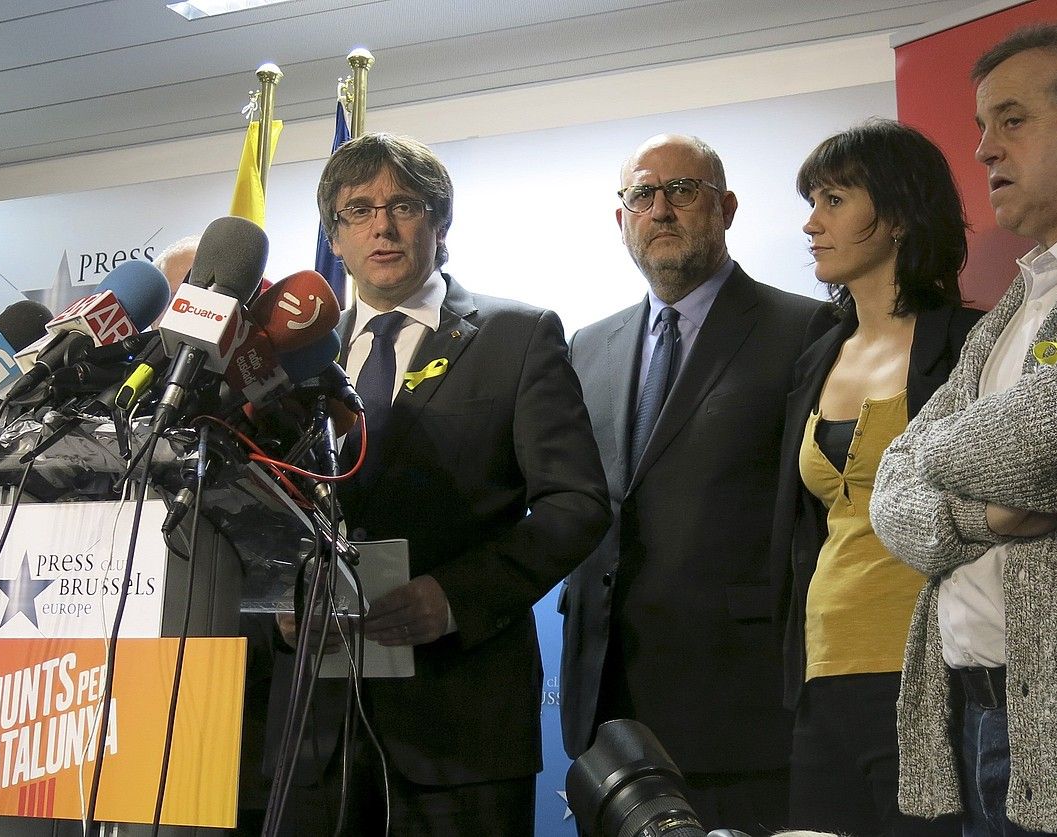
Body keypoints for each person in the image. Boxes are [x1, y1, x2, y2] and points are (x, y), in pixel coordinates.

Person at [270, 132, 610, 836]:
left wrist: (454, 597)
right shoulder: (288, 355)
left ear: (440, 222)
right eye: (357, 210)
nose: (381, 226)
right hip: (313, 733)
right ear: (334, 238)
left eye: (403, 205)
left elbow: (576, 504)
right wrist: (273, 597)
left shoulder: (519, 335)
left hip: (460, 728)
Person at [869, 23, 1057, 836]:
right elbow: (891, 494)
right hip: (982, 713)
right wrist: (979, 512)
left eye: (1013, 120)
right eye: (980, 129)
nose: (985, 150)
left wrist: (930, 456)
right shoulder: (1018, 302)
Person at [560, 133, 821, 833]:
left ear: (726, 208)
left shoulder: (805, 329)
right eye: (642, 195)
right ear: (622, 222)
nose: (661, 209)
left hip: (738, 702)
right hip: (608, 712)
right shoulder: (588, 344)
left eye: (683, 190)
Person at [770, 120, 979, 836]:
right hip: (820, 675)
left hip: (931, 671)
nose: (811, 223)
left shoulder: (968, 343)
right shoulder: (814, 354)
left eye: (833, 199)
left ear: (895, 214)